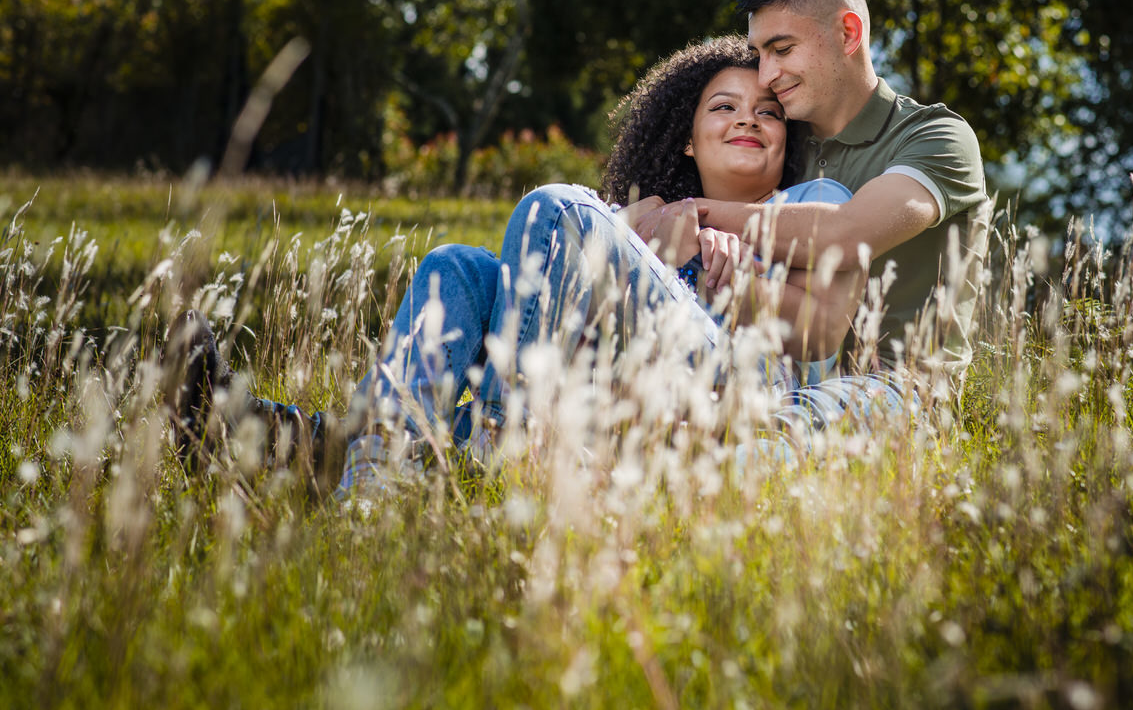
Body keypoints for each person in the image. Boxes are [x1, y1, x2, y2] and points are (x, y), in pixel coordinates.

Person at [163, 35, 862, 499]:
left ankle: (497, 450)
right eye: (725, 106)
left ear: (786, 137)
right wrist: (650, 246)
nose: (749, 119)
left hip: (731, 398)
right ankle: (357, 474)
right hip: (610, 412)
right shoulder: (644, 227)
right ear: (686, 138)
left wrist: (729, 265)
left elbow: (817, 325)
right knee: (459, 268)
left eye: (768, 112)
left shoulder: (811, 199)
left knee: (559, 207)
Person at [691, 0, 990, 410]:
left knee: (766, 440)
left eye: (782, 49)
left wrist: (694, 217)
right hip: (781, 382)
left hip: (901, 393)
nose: (766, 75)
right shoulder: (778, 138)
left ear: (848, 33)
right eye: (758, 53)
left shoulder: (937, 137)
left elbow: (845, 236)